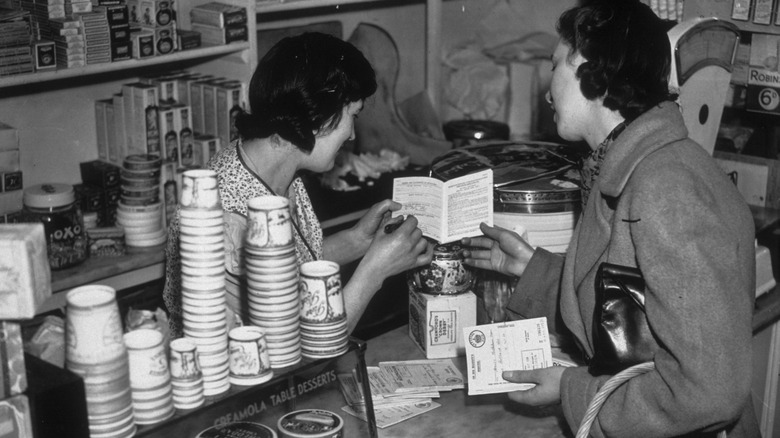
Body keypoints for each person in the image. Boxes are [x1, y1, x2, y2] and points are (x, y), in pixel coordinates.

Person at [462, 1, 760, 436]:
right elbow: (641, 309)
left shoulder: (665, 189)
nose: (547, 92)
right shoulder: (636, 165)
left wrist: (571, 390)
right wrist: (535, 270)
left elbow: (708, 393)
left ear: (583, 64)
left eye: (553, 66)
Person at [163, 32, 433, 338]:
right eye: (352, 117)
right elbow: (299, 348)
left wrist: (358, 240)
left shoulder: (272, 164)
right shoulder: (227, 222)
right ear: (319, 117)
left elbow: (285, 268)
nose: (352, 136)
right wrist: (375, 270)